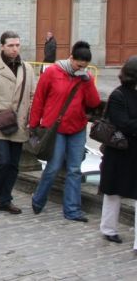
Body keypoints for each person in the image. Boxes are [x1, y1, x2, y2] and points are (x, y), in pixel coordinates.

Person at [29, 41, 101, 221]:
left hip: (77, 128)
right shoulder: (53, 72)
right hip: (55, 129)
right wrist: (34, 124)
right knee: (52, 167)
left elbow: (93, 103)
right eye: (78, 65)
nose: (80, 69)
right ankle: (38, 199)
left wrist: (88, 82)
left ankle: (72, 210)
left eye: (84, 67)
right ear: (71, 58)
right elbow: (39, 98)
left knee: (75, 169)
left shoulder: (86, 78)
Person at [0, 31, 35, 215]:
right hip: (0, 121)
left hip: (19, 123)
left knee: (13, 165)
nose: (15, 49)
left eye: (17, 45)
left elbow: (34, 96)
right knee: (2, 160)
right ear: (2, 46)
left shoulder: (27, 68)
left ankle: (5, 199)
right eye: (11, 45)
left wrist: (31, 118)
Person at [99, 56, 137, 248]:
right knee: (113, 192)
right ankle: (108, 229)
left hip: (134, 152)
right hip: (119, 151)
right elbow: (123, 123)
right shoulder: (118, 95)